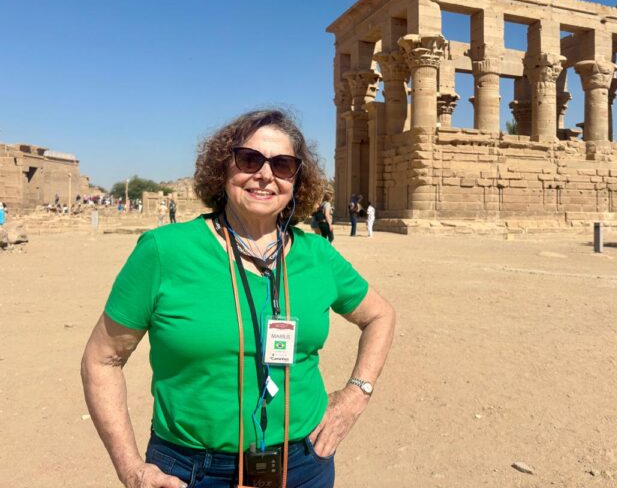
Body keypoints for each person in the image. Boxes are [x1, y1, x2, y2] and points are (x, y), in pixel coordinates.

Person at [81, 109, 396, 488]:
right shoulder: (165, 252)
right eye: (249, 159)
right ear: (223, 167)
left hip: (303, 465)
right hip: (192, 471)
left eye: (282, 165)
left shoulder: (318, 256)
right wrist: (131, 469)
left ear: (297, 180)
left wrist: (356, 394)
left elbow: (380, 315)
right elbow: (102, 359)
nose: (265, 174)